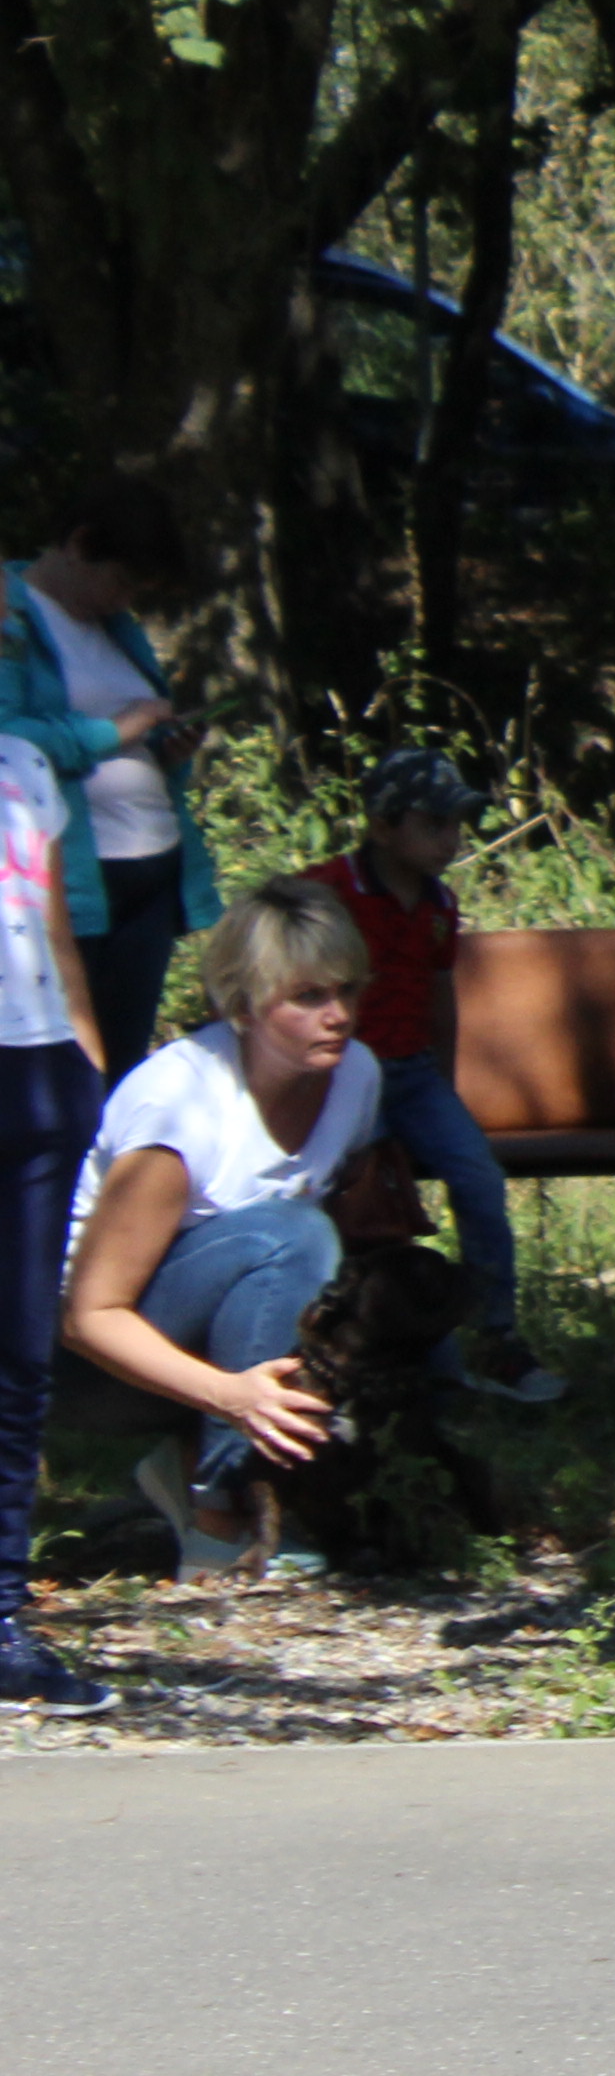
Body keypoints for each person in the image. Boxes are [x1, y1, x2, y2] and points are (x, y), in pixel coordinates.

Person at [61, 879, 383, 1586]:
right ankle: (217, 1508)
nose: (339, 1016)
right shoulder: (179, 1106)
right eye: (307, 997)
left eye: (349, 991)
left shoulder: (356, 1076)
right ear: (241, 1006)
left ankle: (227, 1482)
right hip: (91, 1370)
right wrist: (231, 1397)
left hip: (211, 1343)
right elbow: (87, 1316)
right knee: (288, 1235)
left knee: (315, 1246)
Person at [306, 746, 562, 1403]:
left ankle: (496, 1336)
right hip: (338, 1077)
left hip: (414, 1077)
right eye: (434, 824)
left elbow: (439, 997)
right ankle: (354, 1345)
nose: (450, 840)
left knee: (478, 1177)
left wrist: (442, 1088)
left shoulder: (439, 903)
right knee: (348, 1203)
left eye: (456, 826)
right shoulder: (328, 894)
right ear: (383, 825)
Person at [0, 477, 217, 1082]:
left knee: (123, 1067)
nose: (125, 601)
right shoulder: (9, 613)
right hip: (74, 885)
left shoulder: (115, 628)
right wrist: (111, 732)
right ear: (79, 543)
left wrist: (166, 749)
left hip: (152, 875)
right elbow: (9, 738)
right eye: (120, 581)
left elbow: (134, 729)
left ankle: (113, 1178)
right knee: (70, 1067)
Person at [0, 714, 107, 1706]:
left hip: (36, 1070)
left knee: (21, 1358)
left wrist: (87, 1065)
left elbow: (55, 926)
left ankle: (0, 1616)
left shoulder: (25, 763)